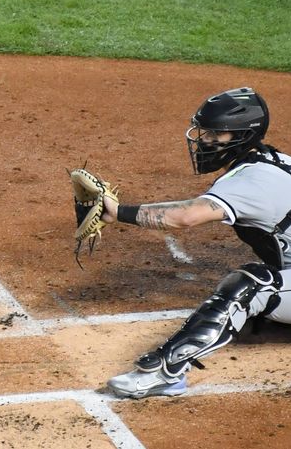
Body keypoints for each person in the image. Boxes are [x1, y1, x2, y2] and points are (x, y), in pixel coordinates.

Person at [101, 87, 291, 398]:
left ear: (243, 135)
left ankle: (165, 373)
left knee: (252, 284)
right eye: (206, 131)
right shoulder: (271, 161)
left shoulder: (253, 181)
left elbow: (186, 216)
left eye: (217, 134)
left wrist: (118, 211)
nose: (204, 140)